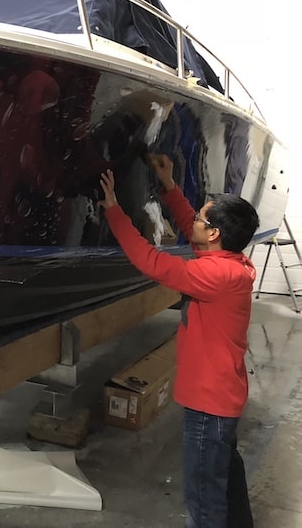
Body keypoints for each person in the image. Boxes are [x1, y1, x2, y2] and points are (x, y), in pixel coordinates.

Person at [99, 154, 258, 528]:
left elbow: (152, 262)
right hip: (224, 397)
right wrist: (170, 186)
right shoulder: (233, 263)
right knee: (225, 479)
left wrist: (113, 211)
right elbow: (192, 226)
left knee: (203, 502)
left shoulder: (213, 276)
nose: (197, 222)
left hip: (208, 404)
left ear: (215, 234)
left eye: (205, 219)